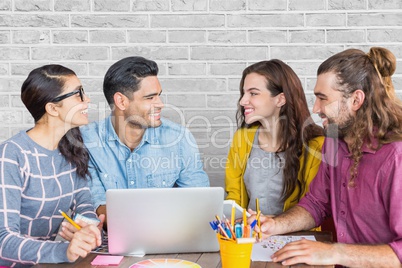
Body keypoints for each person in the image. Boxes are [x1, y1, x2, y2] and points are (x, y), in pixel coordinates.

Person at [256, 47, 402, 267]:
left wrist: (335, 253)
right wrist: (275, 225)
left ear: (356, 100)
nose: (315, 108)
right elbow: (316, 203)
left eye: (322, 98)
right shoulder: (334, 140)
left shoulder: (396, 157)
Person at [80, 56, 210, 226]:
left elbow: (200, 203)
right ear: (121, 101)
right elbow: (95, 205)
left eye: (159, 96)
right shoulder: (87, 140)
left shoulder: (179, 139)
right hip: (112, 241)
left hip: (170, 237)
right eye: (150, 98)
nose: (161, 104)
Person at [0, 65, 104, 266]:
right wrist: (64, 250)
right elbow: (3, 239)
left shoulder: (71, 149)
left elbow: (83, 201)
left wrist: (87, 227)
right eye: (78, 94)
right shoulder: (11, 155)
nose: (87, 100)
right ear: (53, 108)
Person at [225, 59, 324, 216]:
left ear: (280, 99)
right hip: (252, 233)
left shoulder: (316, 146)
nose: (243, 101)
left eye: (253, 93)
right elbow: (234, 196)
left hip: (297, 236)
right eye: (244, 93)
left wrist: (273, 224)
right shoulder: (242, 139)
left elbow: (314, 207)